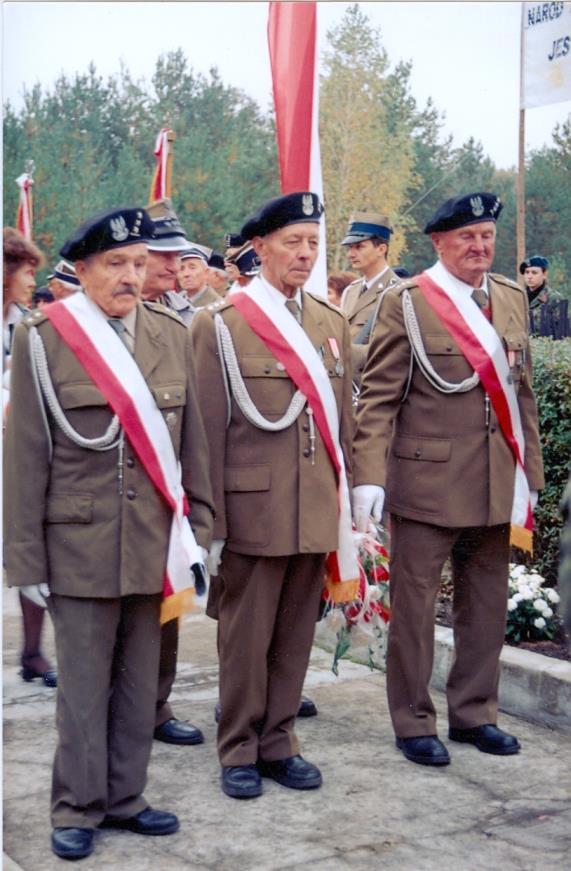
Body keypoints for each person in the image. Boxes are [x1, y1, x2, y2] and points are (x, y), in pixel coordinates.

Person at [4, 206, 214, 860]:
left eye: (138, 263)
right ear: (85, 269)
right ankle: (75, 805)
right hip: (79, 541)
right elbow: (26, 455)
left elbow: (192, 442)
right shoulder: (43, 337)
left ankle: (126, 797)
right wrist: (24, 559)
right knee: (85, 687)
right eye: (115, 264)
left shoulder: (170, 333)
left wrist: (201, 529)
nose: (130, 275)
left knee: (138, 681)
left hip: (153, 539)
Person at [352, 192, 545, 767]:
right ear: (439, 243)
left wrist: (529, 472)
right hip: (426, 483)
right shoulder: (407, 303)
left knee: (485, 604)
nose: (480, 247)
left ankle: (474, 713)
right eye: (467, 237)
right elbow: (379, 399)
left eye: (486, 236)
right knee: (413, 610)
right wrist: (369, 478)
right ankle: (412, 721)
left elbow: (522, 394)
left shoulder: (509, 297)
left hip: (494, 480)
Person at [191, 191, 357, 799]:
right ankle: (238, 747)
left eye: (314, 243)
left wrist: (358, 495)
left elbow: (346, 424)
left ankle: (279, 741)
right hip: (251, 509)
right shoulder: (220, 325)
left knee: (294, 635)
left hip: (314, 506)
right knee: (245, 638)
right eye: (293, 242)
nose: (306, 255)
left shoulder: (329, 322)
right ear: (259, 248)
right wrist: (207, 523)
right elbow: (204, 432)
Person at [142, 198, 210, 746]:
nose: (174, 267)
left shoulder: (175, 325)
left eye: (178, 257)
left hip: (166, 497)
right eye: (162, 256)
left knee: (167, 604)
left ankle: (156, 706)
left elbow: (195, 425)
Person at [3, 228, 58, 689]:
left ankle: (32, 652)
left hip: (15, 453)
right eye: (25, 270)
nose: (30, 281)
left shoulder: (25, 326)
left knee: (27, 549)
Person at [340, 211, 400, 387]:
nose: (351, 254)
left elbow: (391, 352)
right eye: (350, 248)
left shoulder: (400, 292)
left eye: (359, 247)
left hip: (376, 389)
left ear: (381, 249)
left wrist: (338, 353)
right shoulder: (350, 291)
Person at [142, 198, 195, 326]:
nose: (175, 268)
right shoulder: (108, 312)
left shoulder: (187, 312)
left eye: (177, 256)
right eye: (165, 256)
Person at [519, 255, 565, 335]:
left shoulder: (554, 298)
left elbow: (561, 331)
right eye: (527, 272)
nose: (529, 276)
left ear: (544, 275)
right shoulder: (518, 297)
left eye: (534, 273)